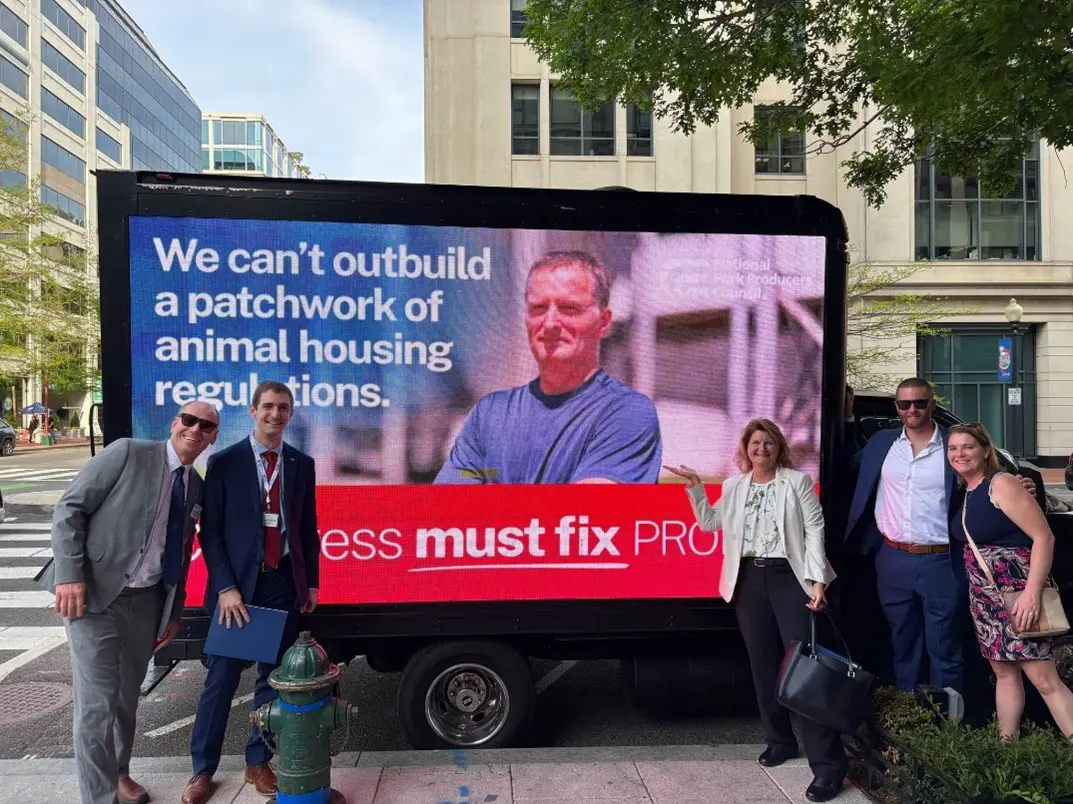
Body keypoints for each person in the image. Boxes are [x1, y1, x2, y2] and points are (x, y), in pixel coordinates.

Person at [38, 400, 220, 804]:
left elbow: (182, 549)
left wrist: (173, 611)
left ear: (212, 437)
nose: (196, 430)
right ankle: (99, 798)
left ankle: (119, 773)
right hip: (95, 597)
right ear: (175, 424)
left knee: (125, 698)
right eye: (189, 420)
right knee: (96, 705)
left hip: (148, 602)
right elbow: (70, 508)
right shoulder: (128, 452)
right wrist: (69, 576)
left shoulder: (196, 485)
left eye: (206, 427)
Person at [666, 419, 847, 802]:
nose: (761, 448)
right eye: (755, 442)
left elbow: (815, 530)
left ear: (778, 447)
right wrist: (696, 488)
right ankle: (779, 741)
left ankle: (828, 768)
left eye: (768, 442)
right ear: (746, 449)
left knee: (806, 671)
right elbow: (709, 524)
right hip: (747, 581)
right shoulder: (734, 486)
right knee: (763, 665)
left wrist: (817, 581)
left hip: (789, 577)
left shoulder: (795, 483)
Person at [844, 378, 1036, 697]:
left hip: (942, 560)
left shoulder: (954, 445)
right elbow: (852, 463)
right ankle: (910, 716)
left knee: (944, 645)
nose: (912, 409)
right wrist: (850, 419)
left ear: (932, 404)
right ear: (897, 408)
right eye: (904, 404)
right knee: (902, 642)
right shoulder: (881, 443)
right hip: (891, 559)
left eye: (920, 402)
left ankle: (948, 728)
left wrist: (1019, 488)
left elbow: (987, 480)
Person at [182, 381, 320, 804]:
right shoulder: (224, 462)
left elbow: (305, 527)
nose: (274, 414)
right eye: (267, 407)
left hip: (282, 584)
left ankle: (258, 761)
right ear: (253, 410)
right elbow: (212, 533)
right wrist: (225, 587)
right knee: (221, 681)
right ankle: (202, 771)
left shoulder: (300, 463)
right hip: (239, 588)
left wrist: (310, 581)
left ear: (290, 413)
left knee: (271, 681)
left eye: (282, 407)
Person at [435, 250, 662, 485]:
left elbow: (587, 515)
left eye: (569, 308)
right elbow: (448, 508)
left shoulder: (627, 413)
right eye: (539, 308)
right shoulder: (488, 415)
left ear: (603, 323)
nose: (551, 323)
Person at [947, 423, 1073, 739]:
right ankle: (1008, 753)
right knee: (1004, 673)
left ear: (986, 450)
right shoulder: (966, 490)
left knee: (1044, 679)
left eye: (968, 447)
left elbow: (1044, 537)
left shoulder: (1001, 484)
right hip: (987, 602)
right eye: (953, 448)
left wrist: (1031, 594)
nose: (959, 454)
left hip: (1018, 597)